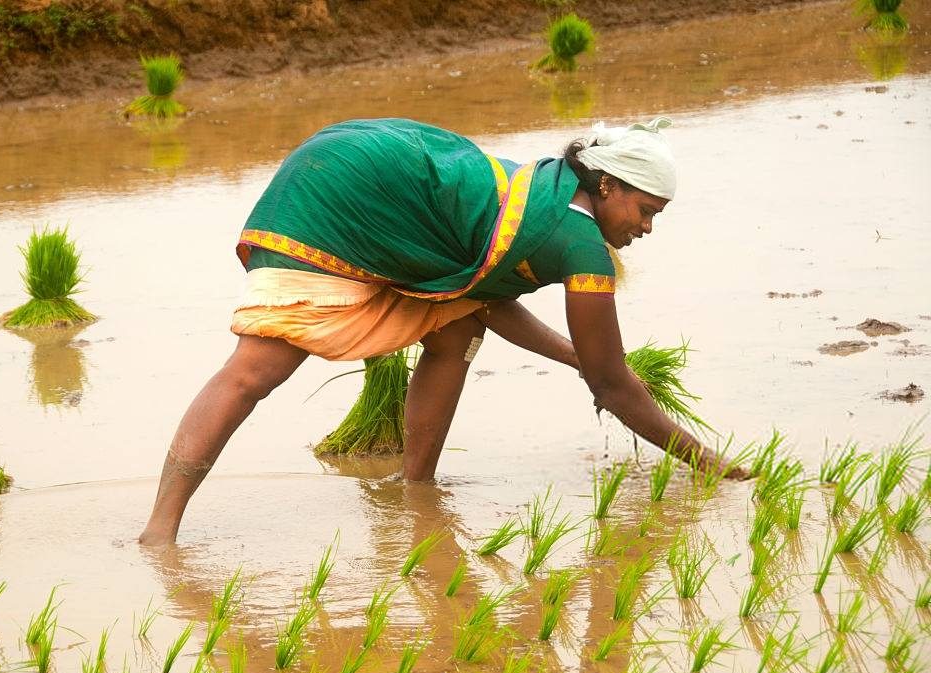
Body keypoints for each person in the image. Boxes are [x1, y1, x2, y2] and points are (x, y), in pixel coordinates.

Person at [139, 117, 745, 546]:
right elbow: (613, 384)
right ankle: (159, 532)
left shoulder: (547, 192)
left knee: (453, 334)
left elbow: (484, 304)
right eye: (646, 210)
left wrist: (577, 360)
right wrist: (709, 462)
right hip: (350, 191)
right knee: (256, 371)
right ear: (607, 184)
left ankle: (416, 489)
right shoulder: (578, 243)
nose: (647, 227)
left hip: (358, 157)